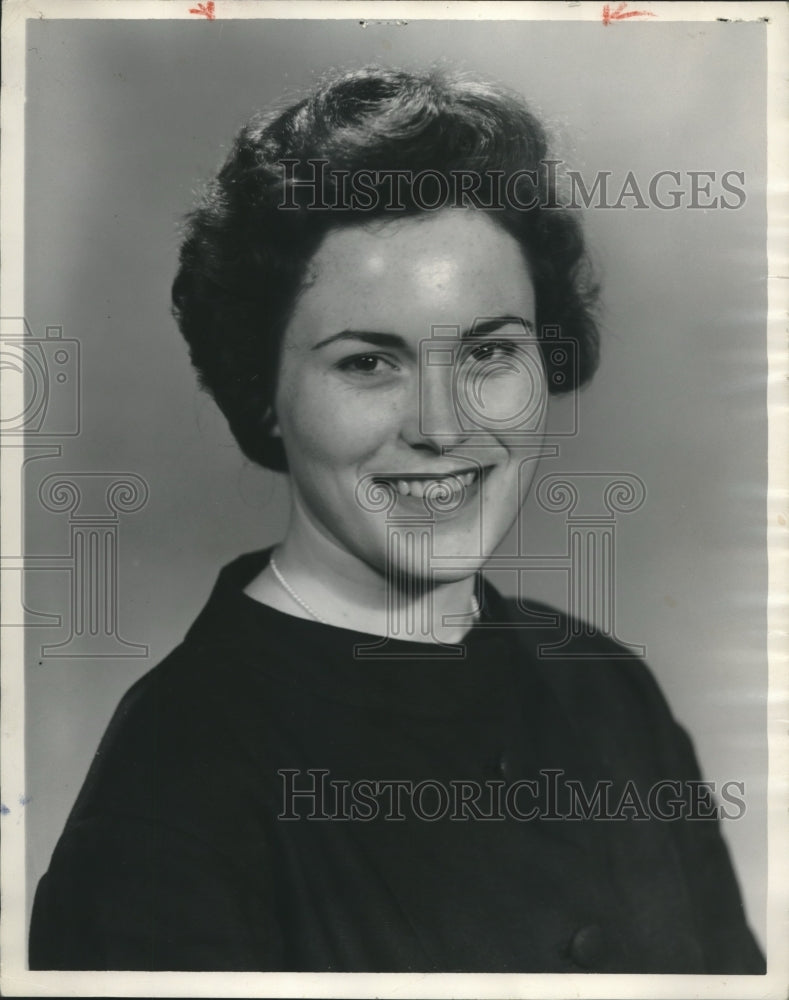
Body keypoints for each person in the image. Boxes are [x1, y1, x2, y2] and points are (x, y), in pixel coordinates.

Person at [29, 66, 765, 973]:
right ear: (261, 390)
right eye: (368, 363)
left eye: (489, 352)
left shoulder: (608, 691)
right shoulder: (173, 789)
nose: (443, 428)